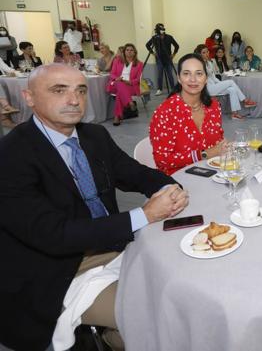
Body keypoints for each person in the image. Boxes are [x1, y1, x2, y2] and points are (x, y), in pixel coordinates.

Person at [0, 64, 188, 351]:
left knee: (182, 288)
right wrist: (145, 214)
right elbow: (55, 235)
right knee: (160, 315)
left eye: (81, 90)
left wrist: (168, 188)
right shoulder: (12, 155)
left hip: (115, 246)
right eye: (59, 90)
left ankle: (116, 338)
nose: (74, 100)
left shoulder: (93, 136)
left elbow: (134, 173)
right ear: (29, 97)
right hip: (60, 271)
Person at [150, 53, 229, 175]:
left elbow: (217, 140)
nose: (193, 79)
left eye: (199, 73)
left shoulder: (213, 106)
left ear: (206, 78)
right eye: (186, 73)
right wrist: (204, 154)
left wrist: (224, 147)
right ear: (179, 78)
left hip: (212, 173)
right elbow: (162, 160)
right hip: (177, 181)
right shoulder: (165, 112)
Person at [194, 44, 256, 120]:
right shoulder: (199, 65)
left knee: (232, 90)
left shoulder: (209, 63)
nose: (207, 53)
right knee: (230, 82)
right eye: (204, 52)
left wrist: (221, 84)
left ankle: (234, 114)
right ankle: (245, 100)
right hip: (207, 89)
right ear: (200, 54)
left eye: (207, 51)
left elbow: (213, 78)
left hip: (214, 86)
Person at [106, 43, 144, 126]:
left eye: (131, 50)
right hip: (115, 84)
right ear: (124, 52)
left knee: (120, 93)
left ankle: (117, 116)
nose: (129, 52)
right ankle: (130, 102)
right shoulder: (117, 61)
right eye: (127, 50)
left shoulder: (139, 64)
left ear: (135, 52)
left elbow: (138, 79)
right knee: (120, 83)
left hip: (130, 86)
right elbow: (112, 74)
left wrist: (129, 82)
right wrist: (117, 78)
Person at [145, 22, 179, 96]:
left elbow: (177, 46)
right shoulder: (155, 38)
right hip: (159, 59)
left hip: (168, 59)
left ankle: (173, 89)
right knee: (159, 74)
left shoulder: (169, 37)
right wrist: (153, 53)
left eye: (161, 29)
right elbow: (147, 45)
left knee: (170, 74)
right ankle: (159, 89)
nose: (160, 30)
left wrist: (173, 55)